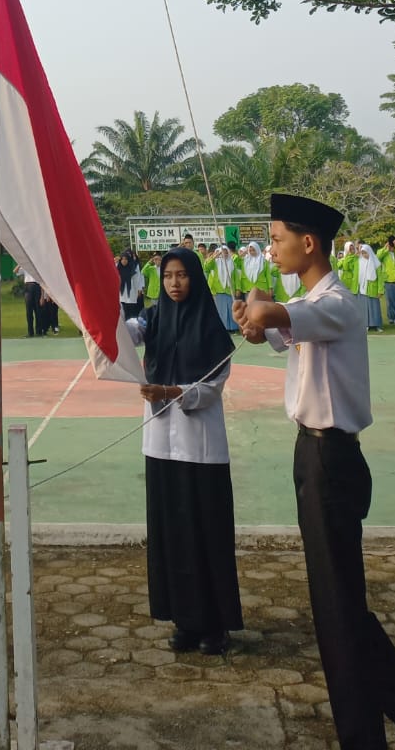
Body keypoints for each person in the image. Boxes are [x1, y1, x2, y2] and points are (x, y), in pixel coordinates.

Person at [235, 192, 395, 750]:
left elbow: (271, 315)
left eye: (277, 239)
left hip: (331, 458)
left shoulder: (336, 303)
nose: (272, 249)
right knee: (338, 607)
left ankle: (383, 731)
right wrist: (256, 316)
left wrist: (257, 306)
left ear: (309, 244)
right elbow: (269, 327)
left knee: (340, 611)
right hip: (313, 455)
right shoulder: (311, 302)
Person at [123, 247, 242, 655]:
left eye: (183, 275)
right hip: (160, 444)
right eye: (168, 276)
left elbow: (211, 388)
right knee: (171, 533)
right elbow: (125, 333)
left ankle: (214, 624)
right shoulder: (152, 318)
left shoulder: (210, 327)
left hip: (199, 446)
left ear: (195, 278)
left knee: (204, 534)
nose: (175, 283)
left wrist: (170, 391)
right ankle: (183, 620)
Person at [116, 252, 145, 321]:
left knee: (132, 314)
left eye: (126, 259)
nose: (124, 261)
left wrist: (139, 289)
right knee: (123, 314)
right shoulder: (117, 268)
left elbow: (138, 279)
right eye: (122, 259)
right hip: (121, 295)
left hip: (132, 294)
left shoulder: (133, 268)